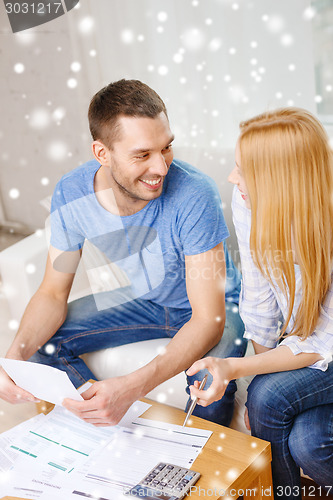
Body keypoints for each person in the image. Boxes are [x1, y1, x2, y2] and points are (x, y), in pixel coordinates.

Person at [1, 79, 246, 427]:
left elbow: (208, 320)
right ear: (102, 153)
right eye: (142, 155)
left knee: (208, 380)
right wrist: (13, 360)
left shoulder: (194, 193)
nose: (161, 167)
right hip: (148, 298)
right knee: (43, 344)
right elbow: (52, 292)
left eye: (166, 147)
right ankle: (106, 424)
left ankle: (200, 461)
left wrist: (132, 385)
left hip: (219, 305)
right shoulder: (72, 194)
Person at [187, 107, 333, 497]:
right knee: (309, 440)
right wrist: (255, 380)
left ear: (281, 180)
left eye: (242, 170)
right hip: (319, 349)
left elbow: (323, 343)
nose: (232, 179)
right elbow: (260, 303)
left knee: (268, 398)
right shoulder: (247, 200)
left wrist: (238, 372)